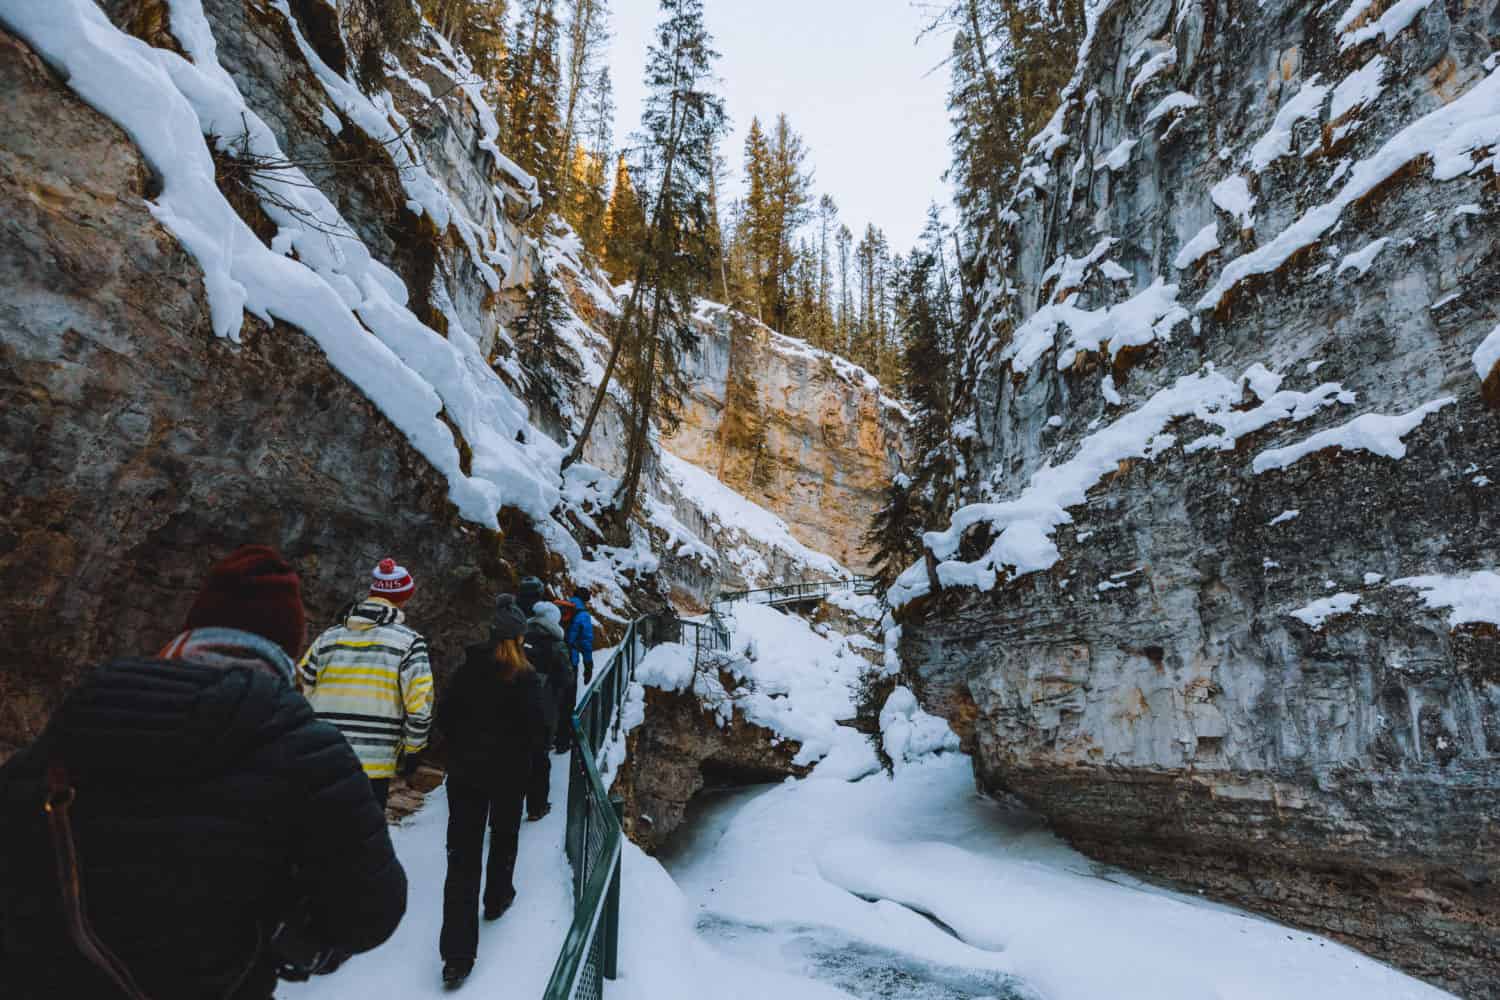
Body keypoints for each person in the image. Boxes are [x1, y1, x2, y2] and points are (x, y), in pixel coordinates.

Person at [0, 546, 406, 1000]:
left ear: (190, 635)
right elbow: (372, 912)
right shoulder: (309, 753)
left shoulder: (83, 714)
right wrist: (290, 941)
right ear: (288, 653)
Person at [435, 595, 549, 988]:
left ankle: (456, 956)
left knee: (462, 859)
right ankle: (498, 897)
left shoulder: (467, 672)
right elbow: (540, 730)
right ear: (519, 639)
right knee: (503, 836)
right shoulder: (526, 678)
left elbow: (445, 717)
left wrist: (460, 750)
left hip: (466, 775)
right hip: (509, 776)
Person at [299, 558, 433, 810]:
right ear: (403, 599)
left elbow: (299, 690)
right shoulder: (410, 642)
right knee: (361, 841)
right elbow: (419, 703)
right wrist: (414, 749)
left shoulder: (328, 637)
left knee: (317, 838)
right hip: (373, 764)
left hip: (323, 755)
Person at [523, 599, 572, 814]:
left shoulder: (521, 636)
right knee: (540, 757)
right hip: (545, 704)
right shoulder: (555, 644)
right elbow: (566, 677)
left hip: (519, 702)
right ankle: (537, 806)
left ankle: (509, 806)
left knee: (519, 753)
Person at [566, 587, 595, 686]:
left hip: (554, 658)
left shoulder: (562, 608)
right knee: (569, 697)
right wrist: (588, 666)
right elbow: (586, 642)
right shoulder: (583, 615)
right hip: (571, 660)